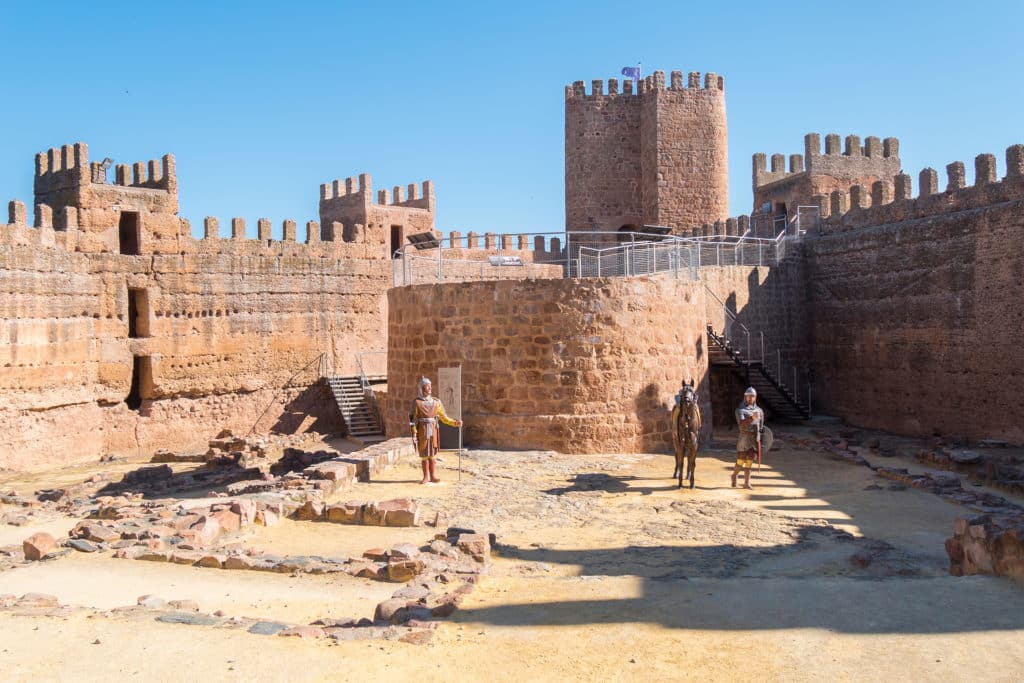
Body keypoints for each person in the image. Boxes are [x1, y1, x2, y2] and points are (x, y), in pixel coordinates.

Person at [409, 376, 462, 484]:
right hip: (422, 430)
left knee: (432, 453)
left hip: (433, 429)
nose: (429, 388)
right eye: (427, 386)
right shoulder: (417, 402)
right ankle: (425, 477)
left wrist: (455, 423)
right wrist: (414, 432)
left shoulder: (436, 402)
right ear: (422, 388)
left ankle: (433, 476)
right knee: (424, 453)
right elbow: (412, 419)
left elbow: (444, 417)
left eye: (430, 386)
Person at [732, 387, 764, 489]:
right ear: (745, 397)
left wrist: (761, 438)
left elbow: (761, 427)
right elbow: (741, 424)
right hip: (744, 438)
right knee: (741, 461)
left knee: (750, 461)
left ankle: (746, 483)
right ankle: (734, 475)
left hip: (754, 439)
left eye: (753, 396)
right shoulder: (740, 410)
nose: (750, 398)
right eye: (749, 396)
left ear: (755, 398)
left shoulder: (759, 411)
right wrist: (751, 418)